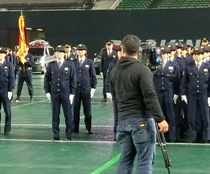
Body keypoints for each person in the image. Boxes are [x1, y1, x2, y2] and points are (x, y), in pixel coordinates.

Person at [109, 34, 169, 174]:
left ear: (122, 49)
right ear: (138, 51)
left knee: (125, 160)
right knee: (144, 160)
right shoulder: (142, 70)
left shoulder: (114, 72)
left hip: (123, 121)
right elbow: (149, 96)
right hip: (141, 120)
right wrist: (160, 119)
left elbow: (115, 97)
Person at [44, 44, 76, 141]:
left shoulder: (70, 65)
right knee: (55, 114)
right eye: (57, 52)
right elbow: (47, 79)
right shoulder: (51, 65)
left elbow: (72, 80)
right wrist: (47, 91)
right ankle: (56, 134)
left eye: (61, 52)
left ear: (64, 54)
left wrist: (72, 93)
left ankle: (69, 134)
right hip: (54, 93)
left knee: (68, 114)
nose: (59, 54)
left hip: (66, 93)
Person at [72, 43, 97, 134]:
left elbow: (93, 76)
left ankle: (89, 128)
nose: (80, 51)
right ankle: (75, 128)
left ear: (85, 51)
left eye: (82, 50)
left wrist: (93, 88)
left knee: (88, 111)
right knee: (75, 110)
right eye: (79, 50)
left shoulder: (90, 62)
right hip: (76, 90)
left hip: (86, 89)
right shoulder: (73, 62)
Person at [0, 47, 15, 135]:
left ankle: (7, 128)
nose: (0, 55)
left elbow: (12, 78)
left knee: (7, 111)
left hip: (5, 90)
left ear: (5, 55)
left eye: (1, 53)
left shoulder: (9, 65)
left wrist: (10, 90)